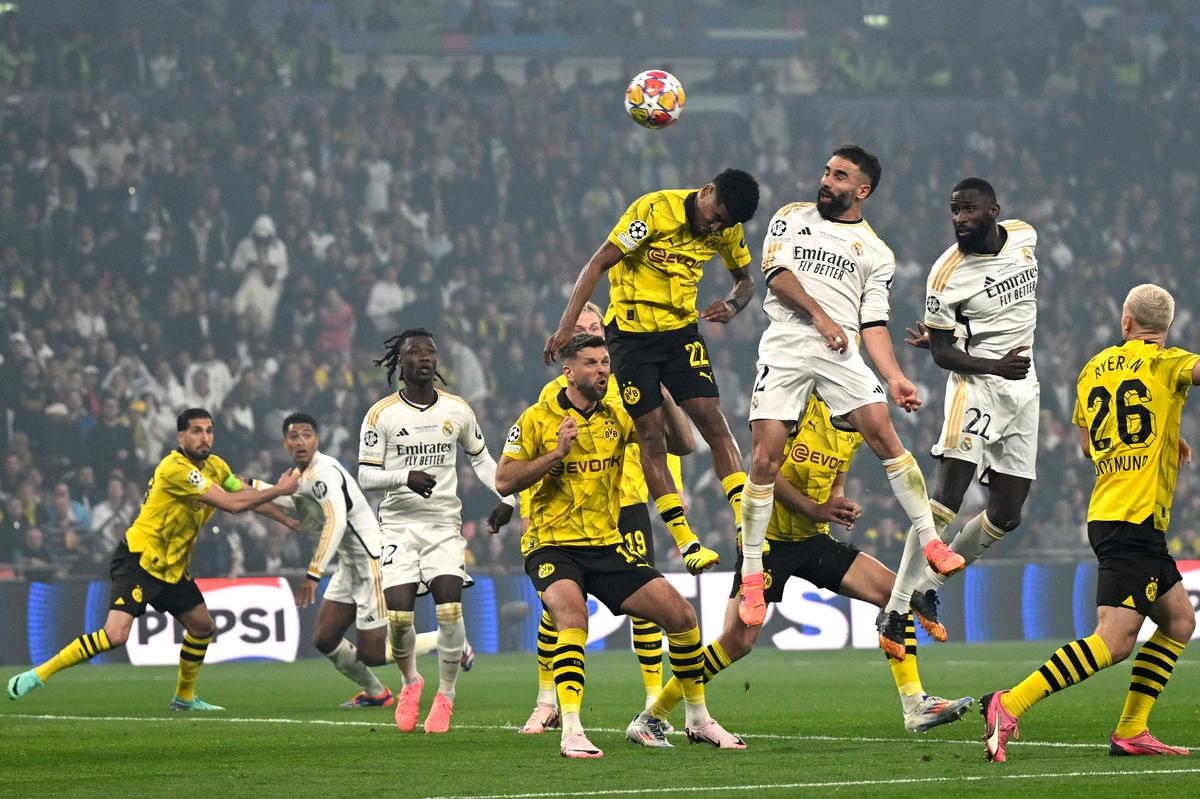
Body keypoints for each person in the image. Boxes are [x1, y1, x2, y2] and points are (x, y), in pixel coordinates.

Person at [631, 396, 973, 739]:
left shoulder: (854, 428)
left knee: (894, 594)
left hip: (813, 540)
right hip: (766, 541)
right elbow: (765, 474)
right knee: (737, 641)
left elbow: (836, 479)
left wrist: (835, 503)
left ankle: (915, 704)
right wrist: (815, 508)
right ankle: (653, 714)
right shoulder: (798, 408)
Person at [736, 145, 956, 649]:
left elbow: (873, 323)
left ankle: (931, 541)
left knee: (883, 432)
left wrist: (896, 376)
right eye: (826, 171)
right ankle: (752, 574)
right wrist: (821, 317)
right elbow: (778, 276)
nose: (826, 180)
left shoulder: (877, 253)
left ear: (862, 190)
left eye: (840, 176)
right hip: (790, 342)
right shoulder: (791, 216)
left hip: (841, 351)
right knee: (765, 457)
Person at [497, 334, 744, 758]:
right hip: (552, 546)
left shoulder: (618, 415)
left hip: (607, 546)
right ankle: (571, 729)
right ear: (568, 371)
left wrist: (662, 393)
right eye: (591, 363)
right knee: (572, 616)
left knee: (682, 617)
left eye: (606, 362)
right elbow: (504, 480)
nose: (602, 370)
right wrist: (556, 454)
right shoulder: (537, 419)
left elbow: (682, 445)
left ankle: (698, 719)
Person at [983, 284, 1197, 762]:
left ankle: (1132, 730)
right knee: (1114, 641)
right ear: (1167, 328)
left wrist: (1165, 438)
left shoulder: (1093, 369)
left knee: (1180, 620)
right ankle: (1008, 703)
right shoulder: (1169, 363)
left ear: (1126, 323)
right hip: (1132, 519)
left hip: (1114, 512)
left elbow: (1087, 446)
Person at [544, 168, 761, 577]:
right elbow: (598, 264)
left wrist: (733, 305)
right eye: (716, 215)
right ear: (706, 190)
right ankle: (686, 541)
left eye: (724, 223)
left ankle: (745, 521)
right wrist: (566, 323)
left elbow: (746, 281)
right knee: (650, 434)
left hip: (680, 334)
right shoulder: (653, 210)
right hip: (630, 339)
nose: (715, 225)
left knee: (713, 422)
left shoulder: (726, 231)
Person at [7, 408, 299, 709]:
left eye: (209, 430)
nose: (205, 437)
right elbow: (232, 504)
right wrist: (279, 489)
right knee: (115, 635)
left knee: (202, 627)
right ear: (181, 436)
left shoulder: (217, 467)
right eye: (196, 431)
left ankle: (184, 698)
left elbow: (245, 493)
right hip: (140, 561)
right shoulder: (176, 469)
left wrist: (289, 520)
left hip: (173, 568)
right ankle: (37, 674)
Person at [519, 302, 695, 735]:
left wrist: (674, 486)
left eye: (594, 327)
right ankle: (548, 701)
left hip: (628, 502)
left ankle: (654, 699)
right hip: (564, 518)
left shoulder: (628, 380)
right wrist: (524, 511)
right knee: (560, 608)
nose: (588, 332)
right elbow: (530, 456)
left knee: (648, 605)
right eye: (579, 329)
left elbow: (662, 442)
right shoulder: (553, 398)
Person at [887, 178, 1039, 651]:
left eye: (969, 210)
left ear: (994, 210)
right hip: (976, 386)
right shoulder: (945, 273)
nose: (960, 219)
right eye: (954, 211)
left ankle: (928, 589)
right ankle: (894, 610)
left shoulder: (1025, 237)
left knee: (1008, 512)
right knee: (947, 500)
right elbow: (942, 355)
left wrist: (946, 336)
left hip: (1024, 388)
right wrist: (983, 359)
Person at [359, 329, 515, 734]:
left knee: (449, 608)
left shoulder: (458, 411)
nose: (424, 357)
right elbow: (365, 476)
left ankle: (446, 695)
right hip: (398, 526)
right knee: (398, 618)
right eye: (415, 352)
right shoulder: (382, 415)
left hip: (444, 525)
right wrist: (404, 477)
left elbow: (483, 462)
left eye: (430, 351)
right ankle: (411, 682)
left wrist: (508, 498)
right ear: (401, 363)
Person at [269, 412, 392, 709]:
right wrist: (236, 485)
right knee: (325, 638)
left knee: (374, 653)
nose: (300, 441)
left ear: (317, 439)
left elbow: (335, 521)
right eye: (294, 436)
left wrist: (314, 573)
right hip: (349, 565)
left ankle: (449, 640)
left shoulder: (323, 472)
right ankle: (376, 693)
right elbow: (281, 498)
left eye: (306, 435)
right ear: (285, 442)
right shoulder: (301, 476)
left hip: (371, 561)